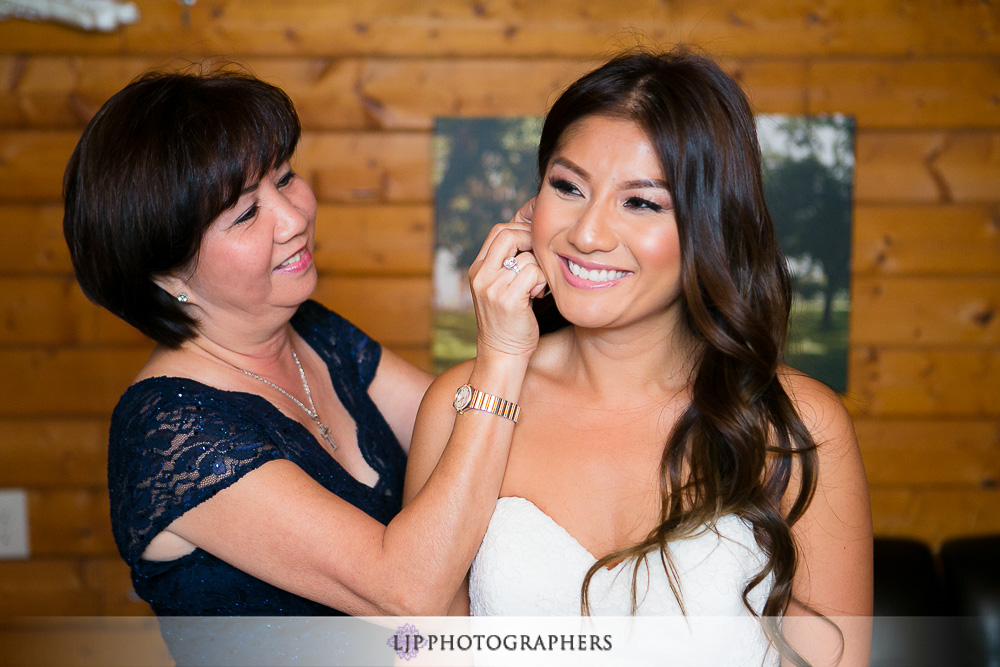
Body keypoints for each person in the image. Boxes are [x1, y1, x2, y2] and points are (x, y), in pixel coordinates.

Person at [404, 49, 872, 666]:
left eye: (642, 203)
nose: (588, 233)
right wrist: (501, 359)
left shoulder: (798, 425)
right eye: (567, 187)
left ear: (711, 225)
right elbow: (421, 647)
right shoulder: (460, 403)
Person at [62, 68, 543, 660]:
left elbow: (480, 437)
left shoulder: (315, 333)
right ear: (164, 273)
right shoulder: (168, 429)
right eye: (245, 214)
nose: (293, 219)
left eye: (285, 179)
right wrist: (500, 354)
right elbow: (407, 593)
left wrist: (565, 285)